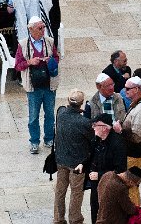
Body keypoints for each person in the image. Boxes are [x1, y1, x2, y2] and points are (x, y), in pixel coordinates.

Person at [14, 17, 60, 154]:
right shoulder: (23, 45)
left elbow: (57, 58)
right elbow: (17, 65)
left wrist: (50, 60)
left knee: (50, 114)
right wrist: (29, 62)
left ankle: (49, 138)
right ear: (31, 29)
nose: (43, 30)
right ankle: (34, 141)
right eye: (40, 28)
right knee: (33, 116)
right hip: (33, 86)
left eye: (43, 27)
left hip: (48, 84)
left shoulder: (49, 42)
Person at [53, 89, 93, 224]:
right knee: (76, 192)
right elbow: (92, 139)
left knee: (60, 190)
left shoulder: (61, 113)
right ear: (81, 103)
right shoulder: (84, 122)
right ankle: (75, 219)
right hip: (77, 163)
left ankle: (58, 218)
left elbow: (62, 108)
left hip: (61, 159)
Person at [85, 113, 126, 224]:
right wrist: (82, 164)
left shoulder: (117, 144)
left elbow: (120, 170)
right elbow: (91, 156)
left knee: (107, 213)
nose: (93, 127)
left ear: (104, 128)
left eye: (96, 125)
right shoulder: (97, 139)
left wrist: (100, 174)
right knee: (95, 209)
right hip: (95, 184)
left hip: (109, 186)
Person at [120, 77, 141, 205]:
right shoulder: (136, 104)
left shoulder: (140, 110)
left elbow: (137, 137)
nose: (125, 91)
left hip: (134, 154)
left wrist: (120, 131)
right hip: (132, 153)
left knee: (131, 185)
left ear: (137, 89)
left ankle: (135, 214)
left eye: (128, 89)